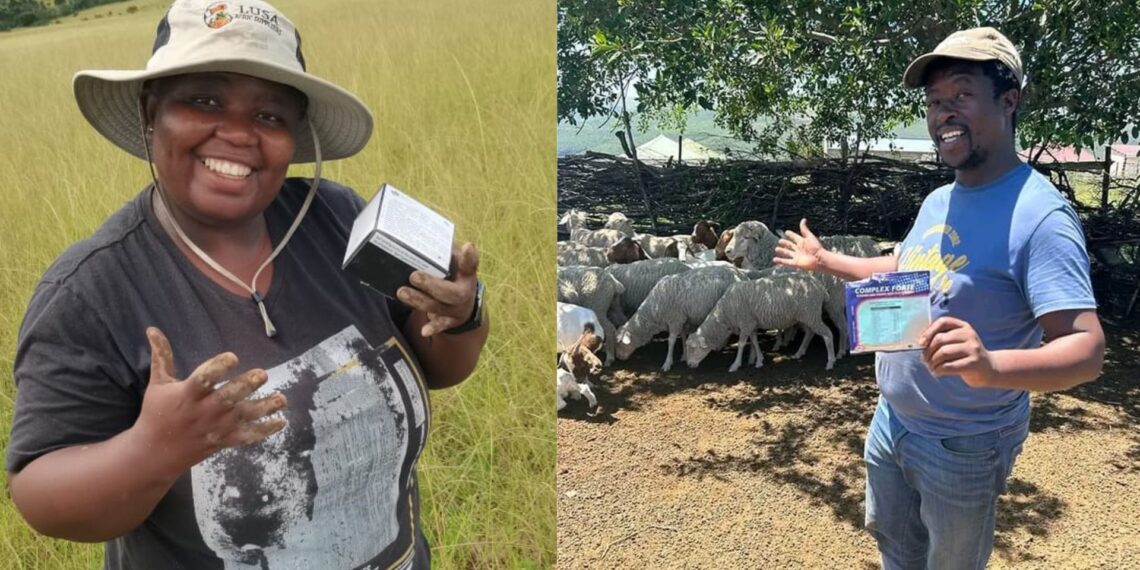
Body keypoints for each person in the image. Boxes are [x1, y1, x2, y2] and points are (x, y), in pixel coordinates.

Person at [5, 0, 489, 568]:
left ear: (294, 136)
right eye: (204, 100)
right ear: (150, 111)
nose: (237, 133)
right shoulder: (92, 291)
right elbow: (40, 497)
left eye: (270, 115)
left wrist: (462, 316)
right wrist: (155, 450)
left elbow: (440, 366)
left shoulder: (336, 219)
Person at [773, 27, 1104, 570]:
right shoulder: (940, 199)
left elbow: (1086, 350)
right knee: (897, 549)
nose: (944, 113)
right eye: (935, 102)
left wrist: (991, 364)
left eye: (962, 95)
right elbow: (904, 268)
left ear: (1008, 100)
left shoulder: (1039, 217)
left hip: (965, 442)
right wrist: (827, 262)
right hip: (892, 419)